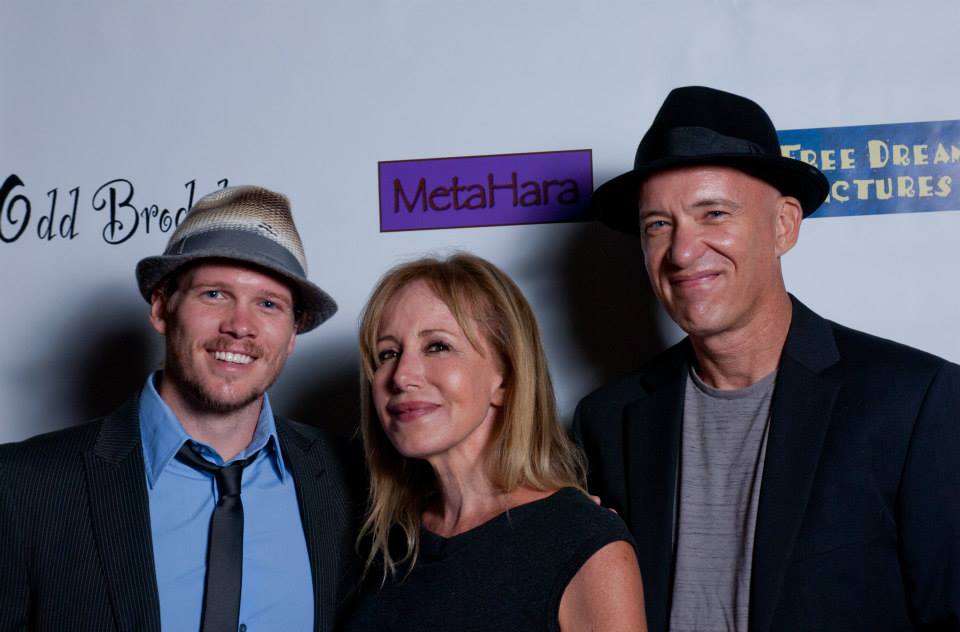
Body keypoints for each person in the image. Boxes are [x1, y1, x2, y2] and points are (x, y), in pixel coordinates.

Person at [574, 85, 960, 632]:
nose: (682, 252)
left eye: (713, 214)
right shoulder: (607, 421)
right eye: (658, 225)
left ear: (783, 225)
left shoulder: (913, 401)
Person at [0, 186, 361, 632]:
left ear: (291, 335)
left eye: (268, 304)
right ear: (161, 308)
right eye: (214, 294)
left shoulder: (351, 481)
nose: (240, 326)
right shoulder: (23, 486)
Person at [342, 253, 647, 632]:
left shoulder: (585, 541)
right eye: (387, 353)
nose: (401, 376)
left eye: (437, 346)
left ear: (505, 379)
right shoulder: (383, 545)